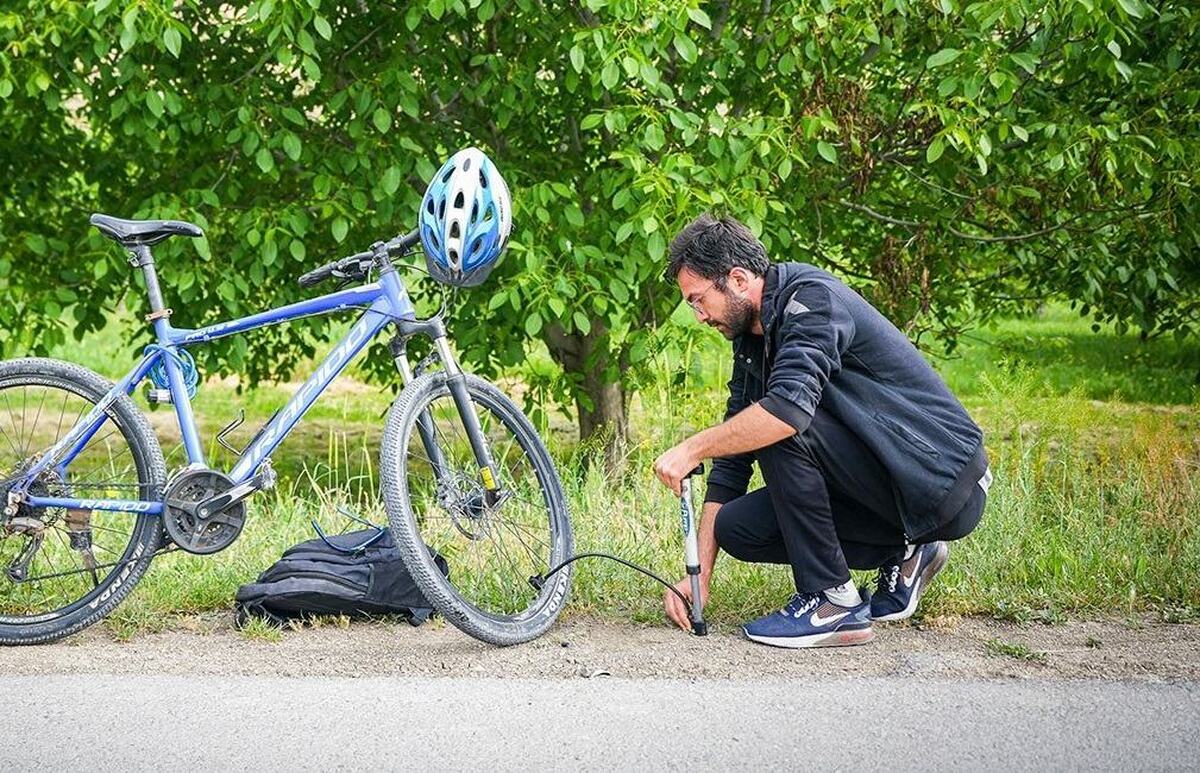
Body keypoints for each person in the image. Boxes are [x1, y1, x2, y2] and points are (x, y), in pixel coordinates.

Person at [652, 214, 991, 648]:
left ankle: (833, 603)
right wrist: (699, 574)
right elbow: (732, 462)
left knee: (777, 422)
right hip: (889, 491)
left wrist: (691, 448)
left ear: (737, 279)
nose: (699, 316)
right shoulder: (753, 340)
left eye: (699, 300)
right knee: (737, 527)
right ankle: (906, 553)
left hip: (940, 485)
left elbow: (787, 413)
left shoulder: (811, 301)